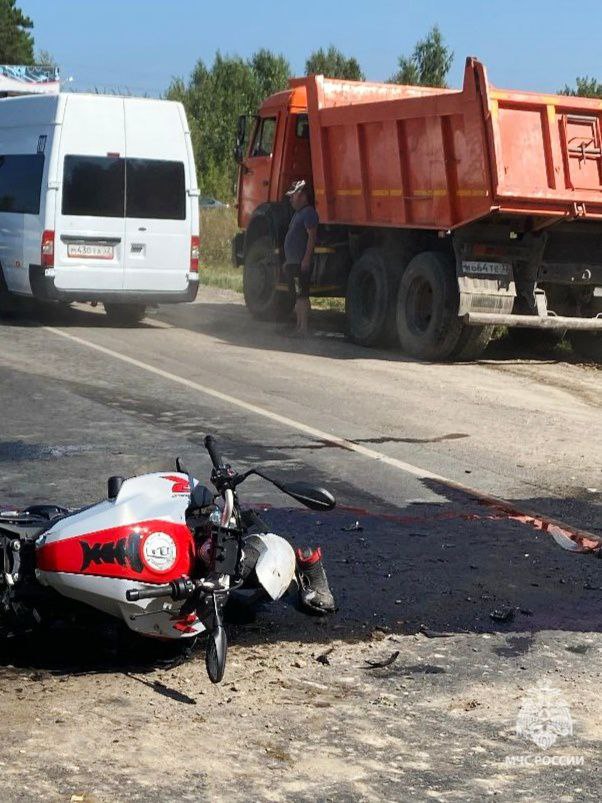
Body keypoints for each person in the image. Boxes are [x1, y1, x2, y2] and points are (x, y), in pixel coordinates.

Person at [283, 179, 319, 337]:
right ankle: (299, 326)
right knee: (297, 294)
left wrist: (306, 259)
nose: (290, 199)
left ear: (303, 196)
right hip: (293, 262)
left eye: (293, 196)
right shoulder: (298, 214)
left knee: (301, 295)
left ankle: (302, 328)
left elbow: (312, 237)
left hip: (300, 263)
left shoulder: (309, 213)